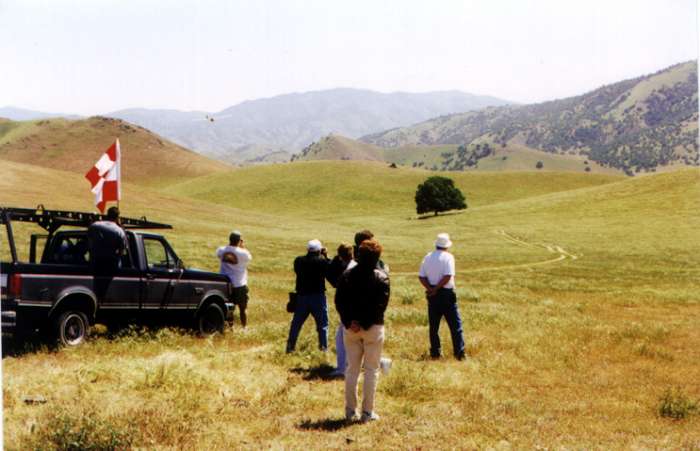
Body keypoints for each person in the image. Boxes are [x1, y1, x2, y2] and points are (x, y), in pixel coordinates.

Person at [335, 238, 390, 422]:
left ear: (358, 255)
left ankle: (350, 411)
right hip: (373, 327)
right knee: (371, 370)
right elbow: (380, 306)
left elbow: (339, 301)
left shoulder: (347, 275)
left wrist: (349, 321)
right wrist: (364, 323)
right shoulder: (382, 277)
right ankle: (367, 412)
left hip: (351, 328)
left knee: (352, 370)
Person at [418, 233, 465, 360]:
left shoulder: (427, 257)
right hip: (446, 294)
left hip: (432, 295)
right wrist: (437, 289)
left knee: (434, 327)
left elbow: (421, 276)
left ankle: (435, 353)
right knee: (455, 326)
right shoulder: (448, 257)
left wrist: (430, 289)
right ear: (447, 246)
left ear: (436, 244)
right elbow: (448, 276)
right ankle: (459, 353)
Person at [286, 239, 330, 353]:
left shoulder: (299, 261)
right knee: (322, 325)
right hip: (317, 297)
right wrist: (325, 256)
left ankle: (290, 347)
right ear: (319, 250)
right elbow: (329, 269)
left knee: (296, 324)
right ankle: (323, 348)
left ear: (308, 249)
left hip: (302, 296)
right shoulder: (322, 261)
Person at [326, 244, 354, 378]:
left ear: (340, 256)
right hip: (359, 310)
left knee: (341, 340)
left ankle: (343, 369)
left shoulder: (347, 272)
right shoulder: (355, 265)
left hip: (349, 311)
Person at [216, 230, 252, 327]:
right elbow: (249, 258)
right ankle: (244, 327)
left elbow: (219, 254)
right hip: (239, 284)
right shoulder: (243, 253)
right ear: (239, 241)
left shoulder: (221, 250)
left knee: (228, 308)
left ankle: (229, 327)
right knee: (243, 309)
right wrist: (242, 246)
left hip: (225, 284)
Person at [88, 206, 128, 275]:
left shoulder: (94, 225)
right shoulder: (119, 231)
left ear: (107, 215)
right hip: (111, 266)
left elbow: (89, 241)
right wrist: (121, 227)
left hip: (95, 263)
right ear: (117, 217)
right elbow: (122, 250)